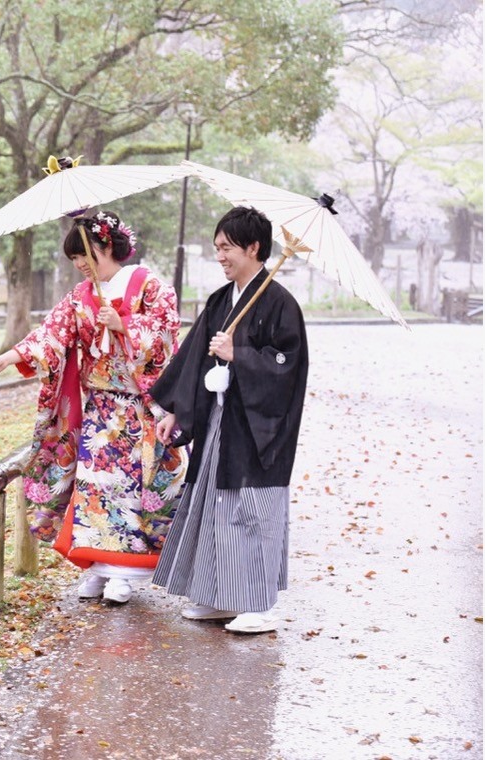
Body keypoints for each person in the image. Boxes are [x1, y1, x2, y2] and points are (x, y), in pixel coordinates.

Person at [0, 210, 187, 604]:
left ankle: (124, 574)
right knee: (94, 488)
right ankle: (98, 566)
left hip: (138, 408)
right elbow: (52, 334)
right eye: (74, 258)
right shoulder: (81, 296)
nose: (79, 265)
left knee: (130, 490)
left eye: (84, 255)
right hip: (99, 408)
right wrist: (9, 357)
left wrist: (124, 323)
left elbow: (165, 334)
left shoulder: (150, 287)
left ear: (107, 246)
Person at [150, 206, 309, 634]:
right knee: (212, 503)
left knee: (250, 507)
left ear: (254, 248)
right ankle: (219, 596)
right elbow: (191, 358)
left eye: (227, 248)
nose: (219, 256)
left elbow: (287, 366)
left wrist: (238, 354)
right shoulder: (222, 300)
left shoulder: (279, 303)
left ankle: (257, 603)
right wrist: (178, 412)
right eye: (216, 247)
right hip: (219, 418)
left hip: (259, 426)